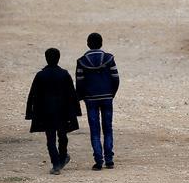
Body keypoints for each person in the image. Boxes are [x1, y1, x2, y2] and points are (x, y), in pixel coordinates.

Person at [26, 48, 82, 175]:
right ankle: (62, 157)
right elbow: (72, 94)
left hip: (46, 113)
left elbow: (33, 95)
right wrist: (76, 111)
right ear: (59, 58)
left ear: (46, 58)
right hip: (63, 112)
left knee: (50, 139)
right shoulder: (64, 74)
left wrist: (30, 112)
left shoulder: (40, 75)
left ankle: (56, 164)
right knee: (62, 136)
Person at [76, 33, 120, 171]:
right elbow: (116, 78)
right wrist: (111, 94)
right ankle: (109, 160)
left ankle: (98, 161)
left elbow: (79, 82)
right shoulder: (109, 58)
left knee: (94, 130)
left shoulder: (81, 61)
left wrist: (82, 96)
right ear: (101, 43)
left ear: (88, 43)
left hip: (90, 99)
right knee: (108, 128)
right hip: (107, 97)